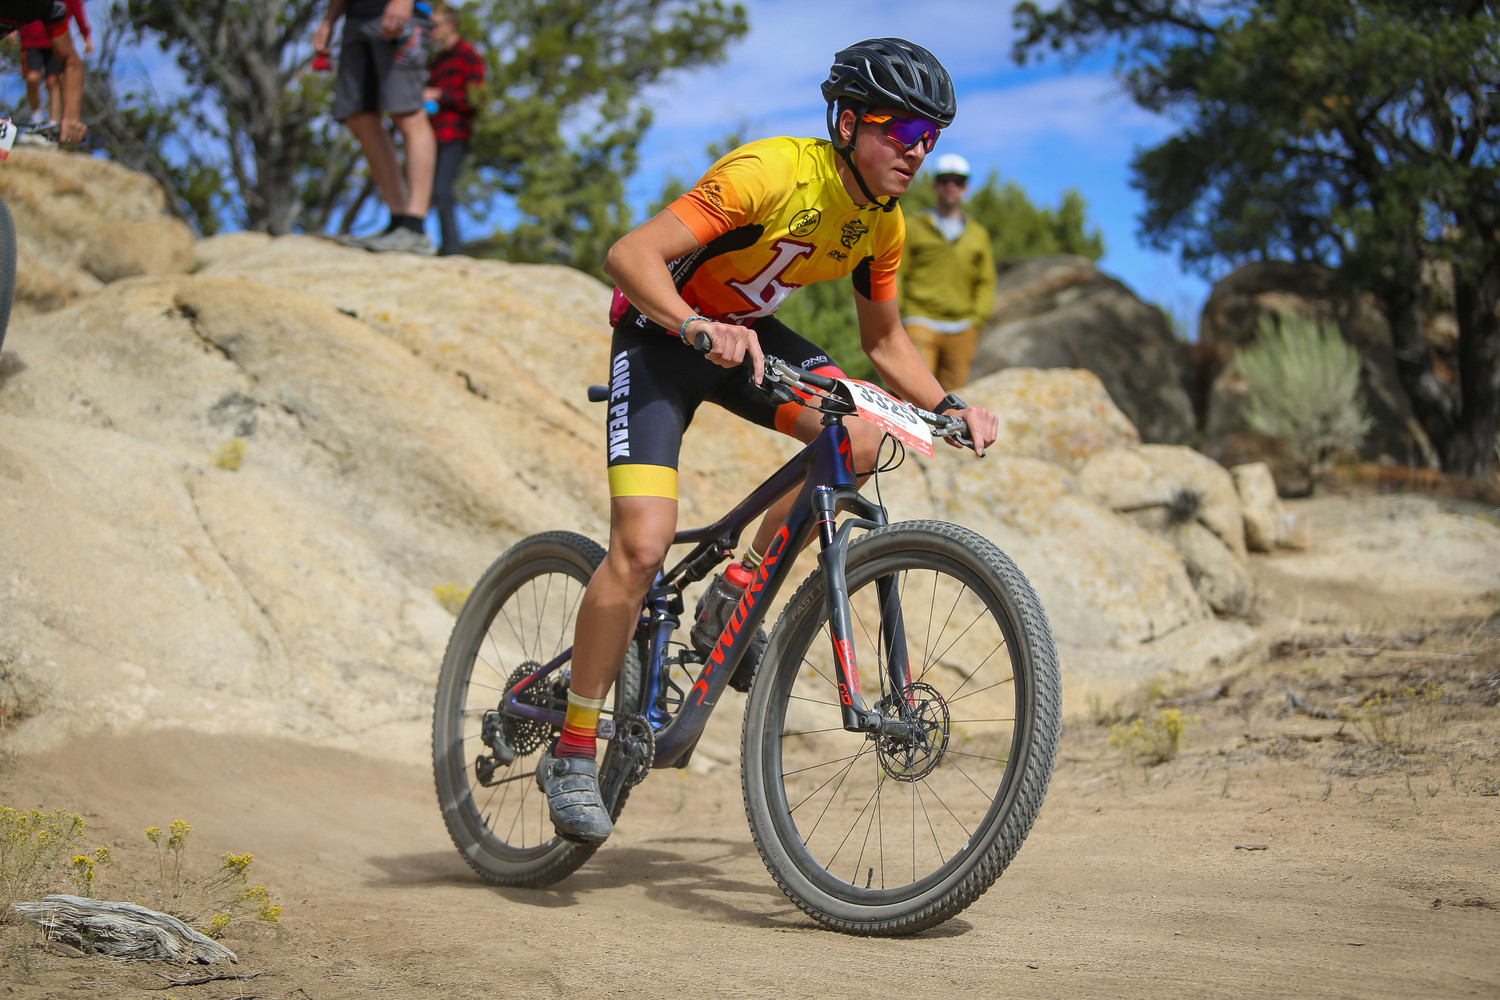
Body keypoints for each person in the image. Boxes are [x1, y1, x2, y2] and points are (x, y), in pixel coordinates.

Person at [533, 37, 1001, 845]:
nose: (918, 152)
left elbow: (886, 342)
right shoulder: (771, 172)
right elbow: (629, 254)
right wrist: (693, 324)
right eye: (902, 131)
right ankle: (574, 747)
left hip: (748, 338)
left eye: (930, 138)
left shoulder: (882, 224)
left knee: (860, 437)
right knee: (641, 549)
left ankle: (736, 590)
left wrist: (950, 407)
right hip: (661, 338)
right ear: (849, 124)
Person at [314, 0, 437, 254]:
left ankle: (415, 227)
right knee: (358, 115)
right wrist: (329, 20)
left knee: (407, 112)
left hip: (399, 13)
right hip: (356, 16)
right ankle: (398, 221)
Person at [897, 152, 995, 390]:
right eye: (945, 180)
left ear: (966, 188)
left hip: (962, 328)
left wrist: (976, 319)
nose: (951, 186)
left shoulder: (978, 234)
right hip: (920, 320)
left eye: (958, 181)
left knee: (953, 397)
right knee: (915, 390)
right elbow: (896, 271)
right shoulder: (914, 225)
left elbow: (986, 280)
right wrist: (899, 315)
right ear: (935, 185)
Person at [422, 3, 483, 256]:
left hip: (455, 133)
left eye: (434, 26)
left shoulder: (468, 55)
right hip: (430, 134)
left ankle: (452, 249)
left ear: (450, 25)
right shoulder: (437, 61)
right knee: (427, 190)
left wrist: (439, 95)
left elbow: (475, 99)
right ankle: (431, 242)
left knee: (442, 189)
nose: (431, 31)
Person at [0, 0, 86, 144]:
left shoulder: (48, 8)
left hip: (44, 42)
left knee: (52, 81)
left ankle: (47, 122)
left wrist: (70, 119)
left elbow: (70, 62)